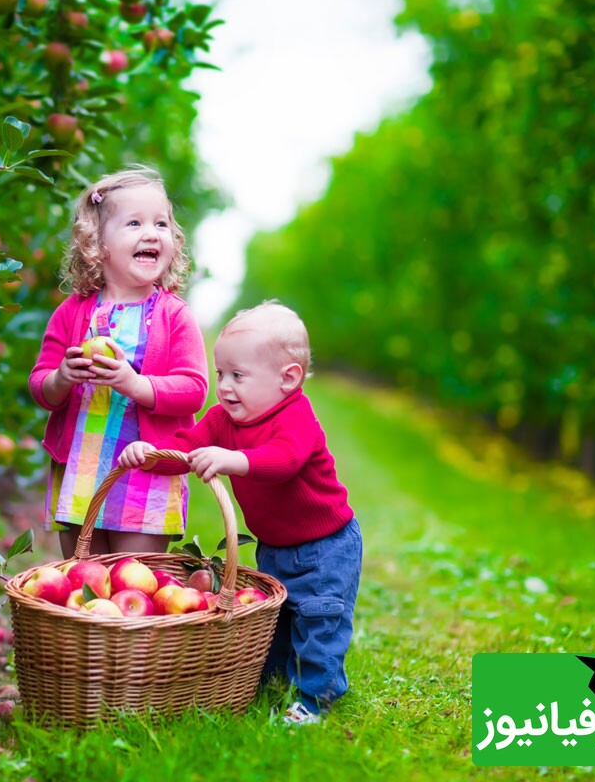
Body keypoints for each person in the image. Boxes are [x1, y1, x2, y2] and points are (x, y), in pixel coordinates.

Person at [118, 301, 361, 725]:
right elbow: (185, 448)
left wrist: (233, 460)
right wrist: (151, 455)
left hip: (326, 547)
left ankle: (316, 698)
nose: (225, 387)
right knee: (277, 621)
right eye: (221, 375)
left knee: (319, 621)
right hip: (275, 547)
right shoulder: (221, 419)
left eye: (239, 376)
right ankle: (271, 682)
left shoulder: (296, 415)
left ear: (288, 379)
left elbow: (282, 460)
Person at [29, 166, 208, 560]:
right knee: (83, 579)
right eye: (134, 223)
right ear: (98, 243)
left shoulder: (173, 315)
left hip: (145, 471)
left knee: (136, 579)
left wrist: (135, 384)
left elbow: (194, 388)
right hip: (81, 467)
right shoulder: (73, 312)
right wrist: (61, 378)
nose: (151, 233)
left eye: (161, 223)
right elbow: (40, 384)